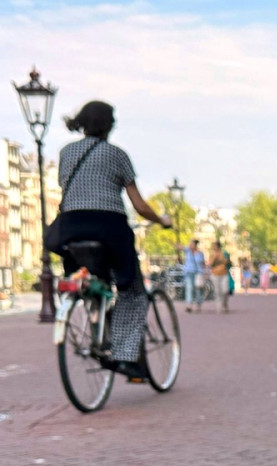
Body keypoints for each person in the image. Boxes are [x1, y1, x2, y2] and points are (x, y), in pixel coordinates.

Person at [44, 99, 172, 381]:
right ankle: (124, 356)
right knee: (132, 291)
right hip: (108, 227)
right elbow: (139, 205)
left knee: (92, 282)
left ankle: (96, 327)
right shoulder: (117, 155)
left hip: (72, 229)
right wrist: (162, 220)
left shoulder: (67, 153)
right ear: (109, 125)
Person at [181, 239, 207, 313]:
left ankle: (198, 304)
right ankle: (189, 304)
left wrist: (205, 273)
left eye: (192, 244)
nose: (190, 245)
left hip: (198, 273)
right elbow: (179, 247)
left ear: (195, 245)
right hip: (189, 272)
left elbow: (203, 264)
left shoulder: (200, 254)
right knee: (189, 288)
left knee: (198, 289)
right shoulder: (188, 251)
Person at [208, 241, 232, 313]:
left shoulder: (224, 253)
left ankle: (225, 304)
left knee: (225, 290)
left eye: (214, 246)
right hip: (215, 274)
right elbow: (210, 264)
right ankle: (219, 307)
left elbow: (228, 262)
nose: (213, 247)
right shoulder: (212, 254)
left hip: (224, 274)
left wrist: (226, 260)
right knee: (217, 291)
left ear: (218, 246)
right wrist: (215, 258)